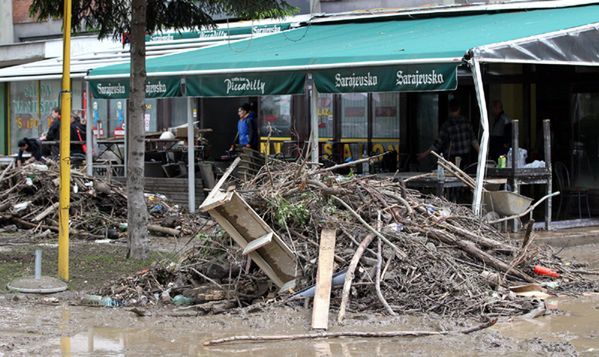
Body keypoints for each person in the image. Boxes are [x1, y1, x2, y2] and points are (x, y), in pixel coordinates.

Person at [418, 99, 479, 168]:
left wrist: (424, 154)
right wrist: (482, 154)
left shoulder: (447, 125)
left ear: (449, 109)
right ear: (459, 109)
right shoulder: (466, 123)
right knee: (465, 175)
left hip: (452, 158)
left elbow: (438, 143)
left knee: (452, 176)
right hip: (465, 157)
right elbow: (474, 141)